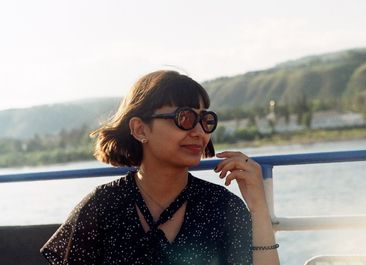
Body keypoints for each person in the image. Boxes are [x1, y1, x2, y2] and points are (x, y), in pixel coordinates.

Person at [40, 70, 280, 264]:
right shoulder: (101, 207)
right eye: (185, 118)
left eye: (205, 121)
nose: (199, 132)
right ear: (140, 129)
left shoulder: (222, 207)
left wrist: (258, 206)